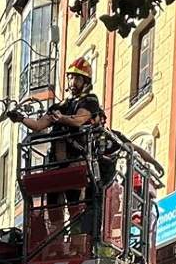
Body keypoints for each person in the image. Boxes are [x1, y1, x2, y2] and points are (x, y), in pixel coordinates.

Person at [15, 57, 108, 239]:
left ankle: (77, 242)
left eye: (77, 79)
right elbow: (38, 125)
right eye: (71, 78)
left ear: (85, 82)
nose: (73, 82)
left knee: (75, 207)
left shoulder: (89, 101)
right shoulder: (61, 105)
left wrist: (62, 119)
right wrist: (20, 119)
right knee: (53, 207)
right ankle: (55, 243)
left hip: (76, 162)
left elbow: (80, 119)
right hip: (56, 163)